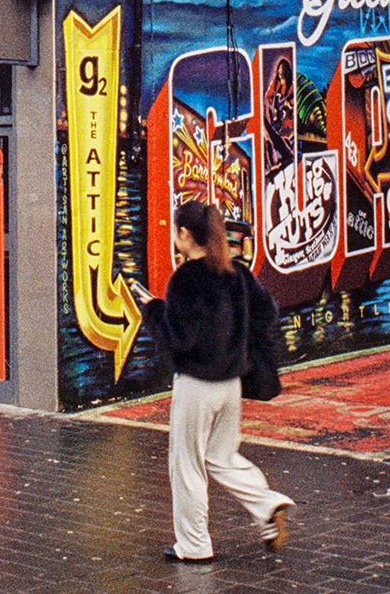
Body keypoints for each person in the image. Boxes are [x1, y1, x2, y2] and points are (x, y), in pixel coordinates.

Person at [131, 199, 293, 563]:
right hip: (230, 384)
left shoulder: (185, 279)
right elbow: (267, 311)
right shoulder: (237, 273)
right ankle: (269, 505)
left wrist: (152, 309)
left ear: (186, 234)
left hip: (196, 385)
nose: (174, 237)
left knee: (186, 463)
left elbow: (178, 340)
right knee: (221, 456)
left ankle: (194, 545)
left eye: (176, 231)